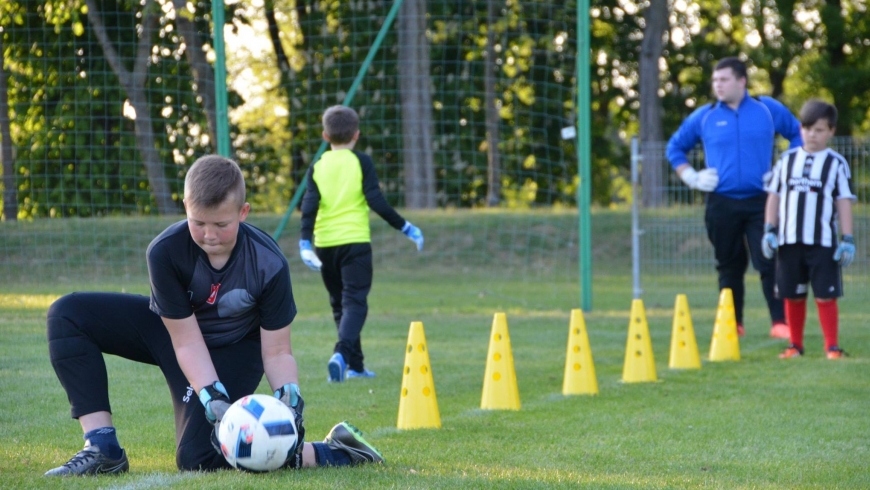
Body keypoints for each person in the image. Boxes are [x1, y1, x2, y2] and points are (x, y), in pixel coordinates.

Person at [44, 155, 384, 476]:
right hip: (180, 336)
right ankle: (102, 448)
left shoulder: (269, 264)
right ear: (185, 209)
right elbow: (186, 341)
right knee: (68, 314)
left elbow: (278, 351)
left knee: (198, 458)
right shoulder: (165, 252)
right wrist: (213, 397)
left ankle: (334, 451)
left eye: (221, 224)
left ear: (243, 212)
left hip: (236, 345)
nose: (209, 235)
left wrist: (289, 398)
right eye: (198, 222)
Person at [666, 56, 802, 339]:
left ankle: (780, 323)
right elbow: (675, 147)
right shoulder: (705, 116)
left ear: (742, 81)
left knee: (768, 260)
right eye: (715, 80)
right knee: (729, 264)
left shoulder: (767, 109)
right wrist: (691, 176)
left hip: (762, 201)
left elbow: (799, 136)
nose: (718, 85)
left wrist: (784, 168)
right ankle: (733, 323)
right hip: (721, 202)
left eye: (724, 79)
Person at [299, 105, 424, 383]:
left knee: (338, 305)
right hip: (354, 243)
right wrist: (405, 226)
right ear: (356, 135)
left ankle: (355, 366)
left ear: (325, 136)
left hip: (325, 245)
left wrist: (305, 242)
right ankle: (342, 354)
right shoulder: (361, 162)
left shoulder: (318, 166)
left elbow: (309, 205)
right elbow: (375, 200)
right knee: (355, 303)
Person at [761, 100, 856, 359]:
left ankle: (832, 347)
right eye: (807, 128)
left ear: (831, 131)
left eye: (819, 129)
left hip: (823, 243)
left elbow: (843, 201)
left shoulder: (836, 164)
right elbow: (774, 196)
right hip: (789, 241)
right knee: (792, 295)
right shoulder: (786, 160)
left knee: (825, 296)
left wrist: (847, 238)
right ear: (800, 129)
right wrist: (769, 229)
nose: (812, 134)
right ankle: (795, 345)